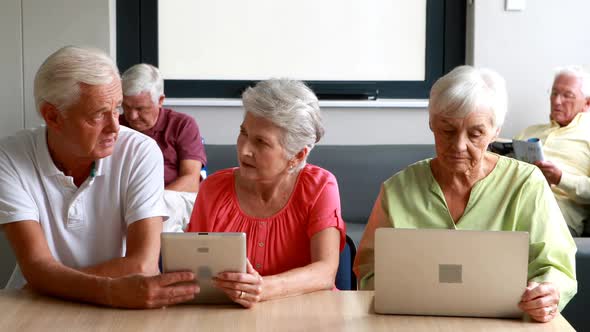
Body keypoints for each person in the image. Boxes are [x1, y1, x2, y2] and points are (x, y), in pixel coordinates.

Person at [353, 66, 577, 323]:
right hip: (414, 321)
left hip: (506, 323)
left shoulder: (526, 184)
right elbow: (369, 270)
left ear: (495, 131)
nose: (459, 145)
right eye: (448, 130)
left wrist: (547, 292)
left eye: (475, 133)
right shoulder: (397, 190)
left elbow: (555, 265)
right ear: (431, 123)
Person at [0, 46, 198, 308]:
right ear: (53, 116)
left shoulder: (140, 151)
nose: (115, 126)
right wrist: (109, 290)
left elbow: (143, 264)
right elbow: (37, 266)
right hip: (34, 306)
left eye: (116, 109)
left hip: (45, 298)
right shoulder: (9, 157)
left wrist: (49, 284)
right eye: (98, 114)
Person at [186, 79, 346, 308]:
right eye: (243, 133)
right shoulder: (212, 189)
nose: (244, 149)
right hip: (227, 316)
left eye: (261, 142)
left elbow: (325, 272)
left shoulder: (320, 186)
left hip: (308, 316)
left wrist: (263, 288)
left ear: (298, 156)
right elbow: (194, 271)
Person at [120, 64, 207, 232]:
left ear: (160, 100)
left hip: (172, 196)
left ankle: (151, 255)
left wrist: (151, 200)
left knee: (163, 207)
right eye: (126, 107)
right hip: (128, 198)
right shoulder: (116, 125)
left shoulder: (182, 124)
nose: (131, 116)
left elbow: (191, 180)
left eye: (140, 108)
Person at [514, 66, 590, 236]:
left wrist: (560, 178)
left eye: (567, 95)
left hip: (554, 217)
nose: (557, 101)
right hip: (514, 204)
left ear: (587, 103)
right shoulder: (529, 132)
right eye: (554, 93)